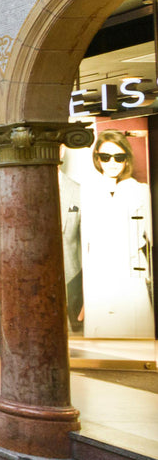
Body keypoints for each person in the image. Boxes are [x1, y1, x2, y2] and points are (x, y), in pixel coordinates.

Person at [80, 130, 155, 338]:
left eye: (118, 157)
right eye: (105, 157)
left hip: (130, 274)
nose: (112, 162)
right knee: (102, 333)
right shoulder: (87, 191)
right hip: (98, 274)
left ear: (126, 159)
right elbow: (83, 242)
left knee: (134, 332)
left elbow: (151, 237)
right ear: (97, 158)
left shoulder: (140, 191)